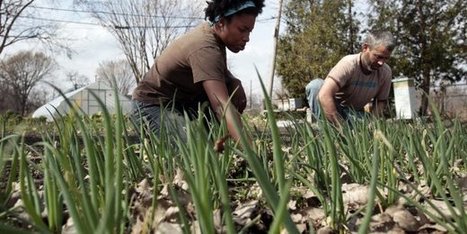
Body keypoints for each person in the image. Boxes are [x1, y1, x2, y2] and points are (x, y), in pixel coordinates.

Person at [131, 0, 265, 148]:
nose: (247, 38)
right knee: (194, 157)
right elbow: (222, 106)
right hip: (151, 106)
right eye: (242, 29)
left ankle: (220, 146)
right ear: (221, 23)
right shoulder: (205, 47)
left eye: (249, 31)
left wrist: (234, 81)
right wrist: (253, 155)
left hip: (183, 104)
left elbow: (217, 73)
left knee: (230, 90)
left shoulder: (213, 36)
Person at [305, 31, 396, 126]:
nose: (381, 62)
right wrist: (341, 127)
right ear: (365, 48)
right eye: (378, 57)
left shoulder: (385, 72)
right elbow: (324, 95)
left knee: (371, 127)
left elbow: (380, 102)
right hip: (334, 110)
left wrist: (372, 123)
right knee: (315, 86)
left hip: (355, 114)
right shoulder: (349, 64)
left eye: (386, 58)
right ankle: (326, 131)